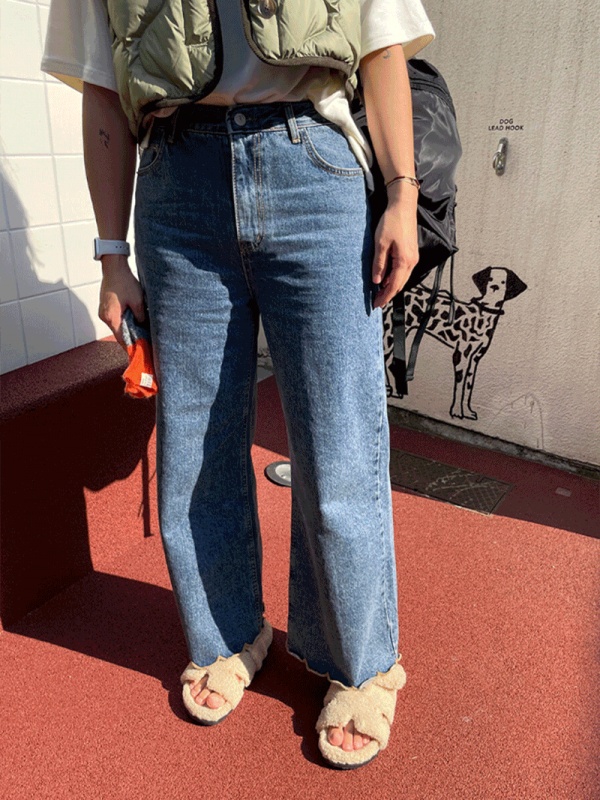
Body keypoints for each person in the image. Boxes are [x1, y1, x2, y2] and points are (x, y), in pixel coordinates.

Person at [42, 0, 435, 770]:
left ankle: (362, 661)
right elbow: (100, 84)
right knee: (196, 446)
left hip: (315, 166)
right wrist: (110, 253)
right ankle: (227, 635)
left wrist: (402, 193)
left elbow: (382, 42)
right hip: (177, 182)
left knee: (338, 442)